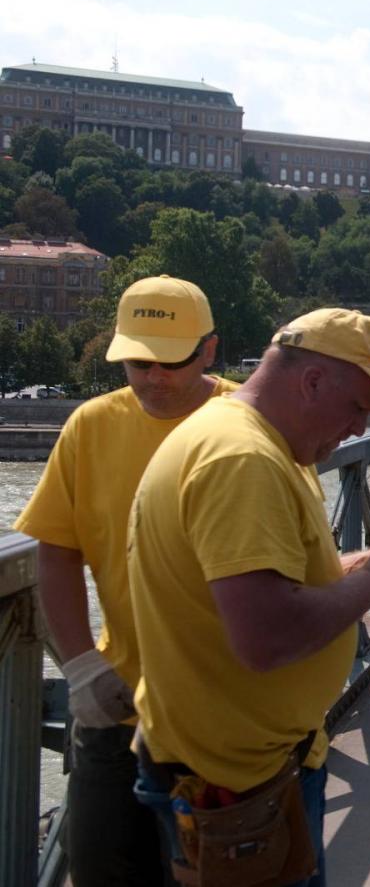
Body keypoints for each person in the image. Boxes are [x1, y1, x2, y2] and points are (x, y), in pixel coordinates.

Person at [126, 308, 370, 886]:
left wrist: (366, 565)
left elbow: (259, 582)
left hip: (250, 766)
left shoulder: (253, 439)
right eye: (359, 408)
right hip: (235, 787)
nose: (361, 430)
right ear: (313, 381)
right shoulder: (243, 461)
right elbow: (266, 638)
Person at [14, 275, 234, 886]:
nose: (152, 378)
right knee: (102, 864)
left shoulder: (252, 424)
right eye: (137, 362)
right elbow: (56, 550)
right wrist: (81, 666)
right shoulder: (90, 426)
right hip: (118, 704)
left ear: (209, 350)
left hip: (229, 713)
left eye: (171, 362)